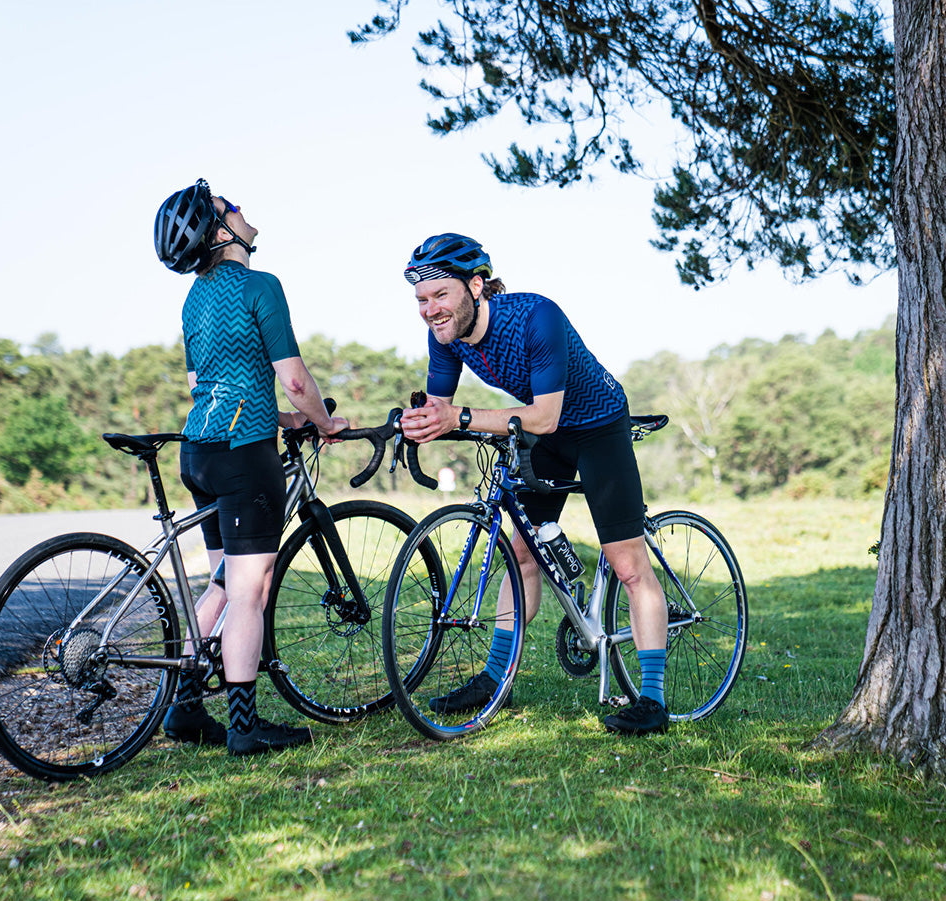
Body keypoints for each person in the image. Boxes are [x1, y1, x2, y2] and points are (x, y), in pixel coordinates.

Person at [399, 233, 670, 736]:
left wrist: (459, 416)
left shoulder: (535, 317)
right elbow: (441, 411)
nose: (429, 309)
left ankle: (651, 699)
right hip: (545, 433)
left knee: (627, 562)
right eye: (421, 299)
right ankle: (494, 677)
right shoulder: (446, 337)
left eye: (440, 295)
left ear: (475, 287)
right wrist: (413, 425)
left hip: (595, 427)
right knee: (521, 551)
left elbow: (543, 417)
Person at [153, 178, 348, 755]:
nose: (242, 210)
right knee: (248, 592)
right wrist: (323, 420)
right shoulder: (260, 286)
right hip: (242, 455)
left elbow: (203, 385)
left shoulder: (193, 300)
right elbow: (292, 378)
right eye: (231, 208)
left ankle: (185, 709)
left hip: (200, 451)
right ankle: (244, 726)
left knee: (221, 581)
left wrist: (287, 421)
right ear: (221, 231)